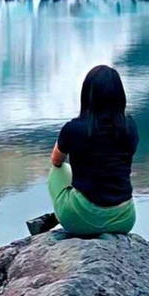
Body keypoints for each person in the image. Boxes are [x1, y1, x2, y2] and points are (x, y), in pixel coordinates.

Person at [47, 65, 138, 236]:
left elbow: (56, 160)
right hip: (125, 219)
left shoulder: (74, 128)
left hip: (81, 221)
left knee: (58, 170)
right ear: (120, 96)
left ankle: (65, 214)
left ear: (87, 95)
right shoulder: (130, 127)